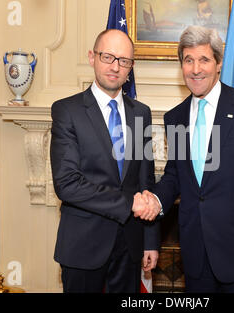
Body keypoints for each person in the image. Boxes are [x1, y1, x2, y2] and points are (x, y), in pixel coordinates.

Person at [135, 25, 234, 293]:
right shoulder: (175, 117)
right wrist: (155, 200)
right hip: (195, 256)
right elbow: (176, 176)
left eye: (204, 59)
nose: (196, 69)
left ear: (218, 63)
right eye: (188, 60)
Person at [50, 29, 160, 293]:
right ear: (92, 57)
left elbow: (146, 179)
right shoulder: (67, 111)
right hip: (83, 246)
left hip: (130, 247)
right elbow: (67, 184)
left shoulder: (141, 113)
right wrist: (128, 203)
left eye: (124, 61)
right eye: (108, 57)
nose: (115, 67)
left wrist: (150, 240)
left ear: (131, 67)